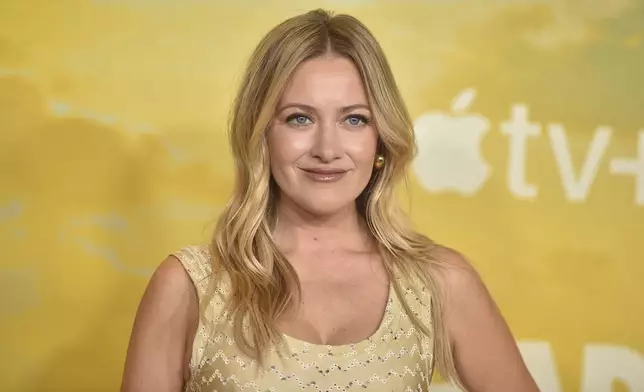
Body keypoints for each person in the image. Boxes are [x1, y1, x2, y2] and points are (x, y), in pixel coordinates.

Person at [120, 8, 539, 392]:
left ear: (381, 140)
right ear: (261, 134)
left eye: (354, 119)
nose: (327, 148)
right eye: (299, 118)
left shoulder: (438, 282)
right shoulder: (190, 286)